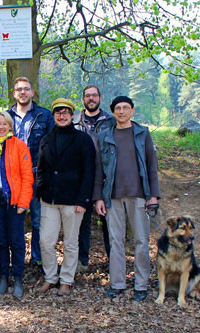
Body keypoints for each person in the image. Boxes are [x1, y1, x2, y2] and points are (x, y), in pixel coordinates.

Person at [94, 96, 160, 302]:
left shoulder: (142, 133)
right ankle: (118, 283)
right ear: (113, 112)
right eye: (118, 108)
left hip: (139, 195)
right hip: (112, 196)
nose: (121, 111)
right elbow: (99, 169)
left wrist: (153, 196)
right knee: (116, 241)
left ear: (132, 111)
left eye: (125, 108)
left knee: (141, 241)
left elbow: (151, 165)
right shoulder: (104, 135)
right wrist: (98, 198)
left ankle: (141, 285)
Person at [35, 98, 95, 296]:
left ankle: (67, 280)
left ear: (72, 115)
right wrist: (40, 190)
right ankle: (50, 277)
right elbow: (41, 169)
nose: (62, 116)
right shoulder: (46, 139)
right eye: (58, 113)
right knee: (46, 241)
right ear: (53, 116)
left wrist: (83, 200)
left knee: (70, 243)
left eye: (66, 112)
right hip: (49, 200)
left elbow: (89, 172)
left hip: (73, 201)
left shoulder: (83, 140)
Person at [7, 77, 55, 273]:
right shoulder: (6, 116)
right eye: (19, 89)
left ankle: (37, 259)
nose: (23, 92)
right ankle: (15, 259)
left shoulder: (44, 116)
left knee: (37, 219)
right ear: (14, 93)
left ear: (33, 93)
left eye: (27, 89)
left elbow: (53, 145)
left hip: (36, 174)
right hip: (12, 176)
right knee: (13, 219)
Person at [0, 112, 33, 298]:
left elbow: (28, 176)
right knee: (1, 240)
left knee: (17, 241)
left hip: (14, 200)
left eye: (5, 124)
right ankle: (4, 276)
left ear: (10, 126)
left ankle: (18, 277)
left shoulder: (19, 146)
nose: (2, 127)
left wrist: (23, 202)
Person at [73, 85, 115, 271]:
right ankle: (82, 260)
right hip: (80, 176)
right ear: (83, 99)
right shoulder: (75, 121)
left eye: (94, 95)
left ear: (100, 98)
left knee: (109, 221)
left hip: (105, 176)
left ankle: (113, 260)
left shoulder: (110, 121)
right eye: (87, 96)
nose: (91, 99)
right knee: (82, 221)